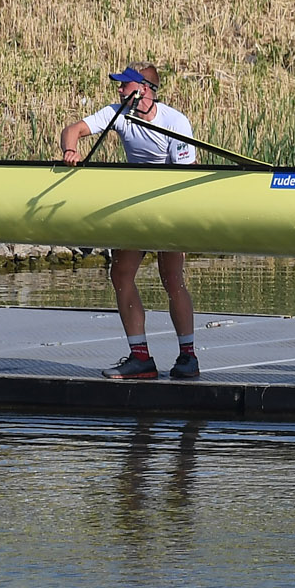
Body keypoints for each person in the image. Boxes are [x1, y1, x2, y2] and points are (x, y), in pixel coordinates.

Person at [59, 64, 202, 380]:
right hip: (136, 206)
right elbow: (73, 130)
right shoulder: (117, 113)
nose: (119, 91)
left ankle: (188, 356)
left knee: (171, 277)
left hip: (169, 204)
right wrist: (71, 149)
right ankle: (141, 358)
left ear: (144, 90)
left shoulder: (176, 121)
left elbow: (183, 177)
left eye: (125, 86)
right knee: (120, 274)